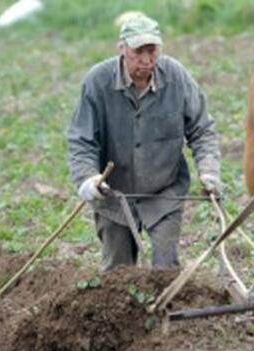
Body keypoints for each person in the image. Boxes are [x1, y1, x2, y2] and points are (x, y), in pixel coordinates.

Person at [67, 14, 221, 273]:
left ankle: (165, 312)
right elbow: (82, 139)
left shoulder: (176, 77)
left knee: (166, 271)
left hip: (164, 191)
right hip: (114, 195)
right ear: (122, 49)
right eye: (139, 51)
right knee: (118, 274)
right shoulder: (98, 82)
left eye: (153, 50)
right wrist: (86, 178)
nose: (147, 59)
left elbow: (202, 129)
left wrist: (209, 171)